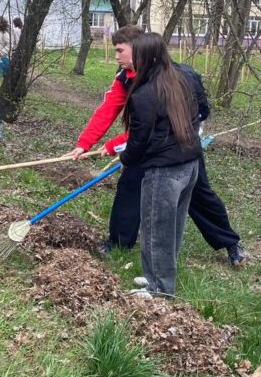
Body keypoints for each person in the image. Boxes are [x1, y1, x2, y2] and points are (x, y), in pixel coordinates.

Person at [69, 25, 250, 267]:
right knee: (130, 186)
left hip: (182, 146)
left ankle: (230, 243)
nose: (116, 56)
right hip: (146, 146)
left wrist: (115, 145)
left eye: (119, 50)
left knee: (200, 194)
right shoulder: (125, 77)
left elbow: (193, 115)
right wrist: (84, 144)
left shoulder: (179, 75)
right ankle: (119, 240)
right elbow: (109, 110)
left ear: (137, 50)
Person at [118, 33, 202, 297]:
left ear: (146, 58)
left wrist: (125, 159)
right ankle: (156, 276)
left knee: (156, 228)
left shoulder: (142, 95)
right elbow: (199, 114)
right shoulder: (182, 79)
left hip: (164, 172)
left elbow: (138, 140)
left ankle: (160, 290)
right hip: (190, 165)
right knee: (172, 227)